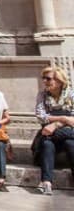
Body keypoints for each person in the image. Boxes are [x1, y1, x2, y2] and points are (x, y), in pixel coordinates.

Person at [33, 65, 74, 196]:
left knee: (69, 143)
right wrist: (64, 118)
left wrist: (55, 124)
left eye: (48, 78)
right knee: (47, 143)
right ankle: (47, 183)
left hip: (62, 133)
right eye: (43, 78)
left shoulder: (71, 95)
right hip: (51, 132)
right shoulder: (42, 95)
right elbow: (41, 116)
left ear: (59, 81)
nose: (44, 81)